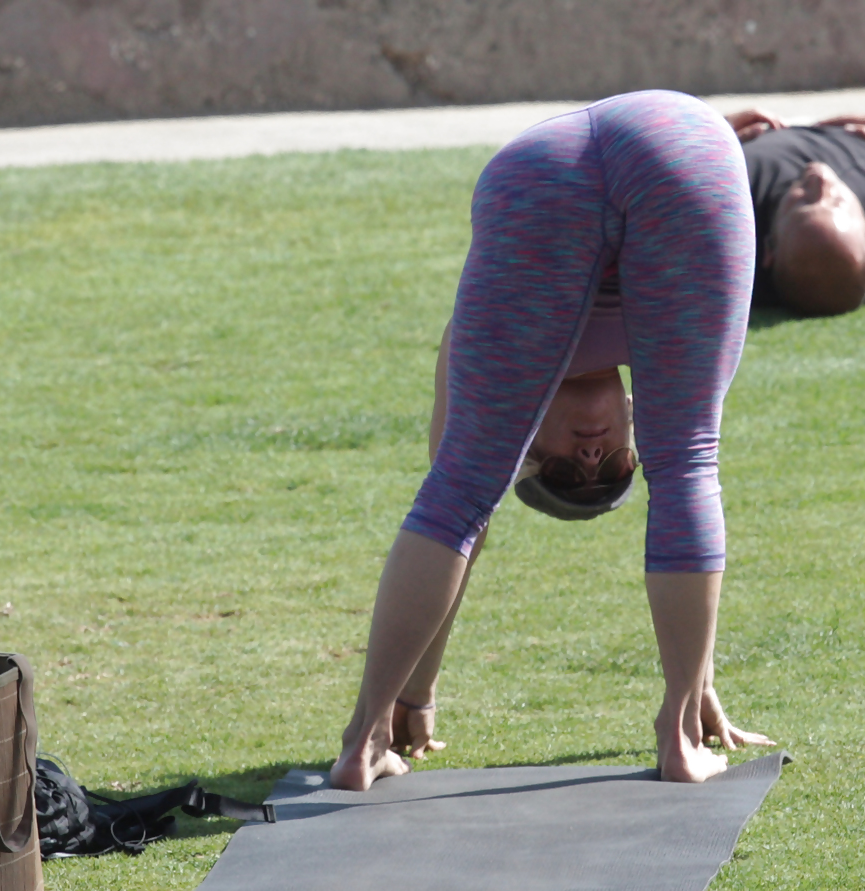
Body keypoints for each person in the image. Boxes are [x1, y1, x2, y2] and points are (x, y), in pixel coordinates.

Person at [330, 90, 775, 792]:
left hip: (545, 168)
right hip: (680, 140)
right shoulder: (617, 374)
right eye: (611, 469)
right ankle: (679, 733)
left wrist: (412, 699)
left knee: (473, 483)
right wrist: (695, 676)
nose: (592, 457)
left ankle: (363, 741)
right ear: (633, 420)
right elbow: (460, 507)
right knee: (685, 460)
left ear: (527, 442)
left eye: (566, 470)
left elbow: (456, 504)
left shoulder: (483, 361)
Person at [726, 108, 865, 316]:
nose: (822, 182)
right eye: (837, 202)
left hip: (756, 133)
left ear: (768, 248)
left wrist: (707, 135)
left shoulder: (727, 213)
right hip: (858, 134)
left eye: (805, 202)